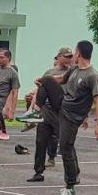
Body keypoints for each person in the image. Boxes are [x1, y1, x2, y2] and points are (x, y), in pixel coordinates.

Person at [53, 39, 98, 195]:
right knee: (66, 146)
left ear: (79, 53)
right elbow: (62, 79)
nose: (73, 55)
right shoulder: (74, 69)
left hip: (74, 116)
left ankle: (70, 188)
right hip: (64, 109)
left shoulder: (92, 75)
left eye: (75, 51)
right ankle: (35, 111)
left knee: (65, 148)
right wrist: (45, 80)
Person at [25, 50, 70, 181]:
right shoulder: (49, 72)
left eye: (70, 57)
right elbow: (39, 90)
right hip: (47, 109)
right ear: (59, 57)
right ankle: (38, 172)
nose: (69, 59)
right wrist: (32, 108)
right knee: (40, 141)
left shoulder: (71, 72)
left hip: (62, 108)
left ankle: (72, 173)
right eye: (66, 56)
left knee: (65, 142)